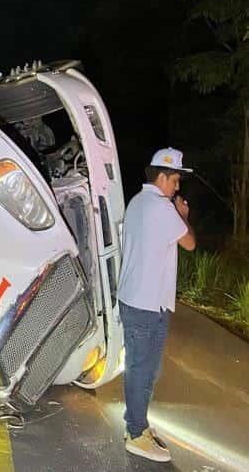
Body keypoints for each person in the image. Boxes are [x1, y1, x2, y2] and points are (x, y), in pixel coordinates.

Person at [118, 147, 196, 462]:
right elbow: (190, 242)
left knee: (146, 368)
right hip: (145, 304)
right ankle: (135, 433)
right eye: (176, 180)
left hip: (141, 300)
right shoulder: (163, 209)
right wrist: (183, 215)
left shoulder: (137, 203)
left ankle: (139, 424)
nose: (178, 187)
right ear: (162, 176)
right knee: (142, 369)